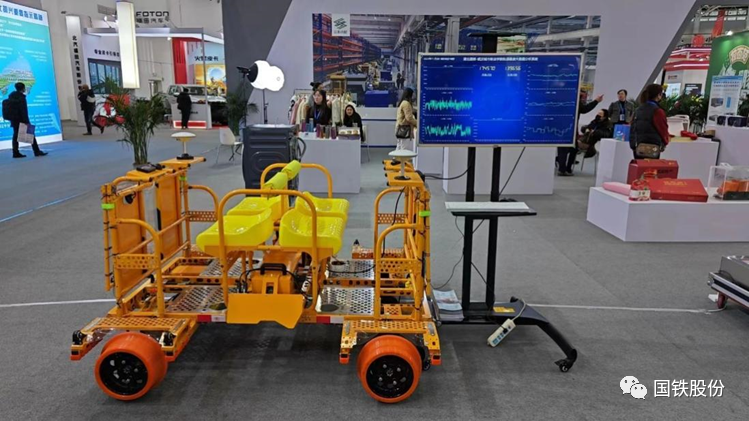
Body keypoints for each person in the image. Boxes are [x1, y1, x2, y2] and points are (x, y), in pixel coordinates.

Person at [557, 91, 602, 176]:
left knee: (567, 149)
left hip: (563, 128)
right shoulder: (575, 100)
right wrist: (596, 101)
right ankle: (563, 169)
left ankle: (565, 168)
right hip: (570, 128)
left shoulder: (563, 99)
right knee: (568, 149)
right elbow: (584, 109)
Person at [630, 84, 670, 159]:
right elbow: (663, 129)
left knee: (639, 166)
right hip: (652, 147)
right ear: (658, 95)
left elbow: (632, 128)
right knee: (651, 166)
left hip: (638, 147)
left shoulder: (638, 110)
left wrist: (633, 145)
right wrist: (665, 142)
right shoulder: (658, 111)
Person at [8, 82, 46, 158]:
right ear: (23, 88)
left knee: (15, 136)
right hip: (22, 119)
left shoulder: (11, 96)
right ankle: (36, 151)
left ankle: (15, 152)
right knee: (31, 135)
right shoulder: (21, 98)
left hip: (14, 119)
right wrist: (26, 121)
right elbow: (23, 110)